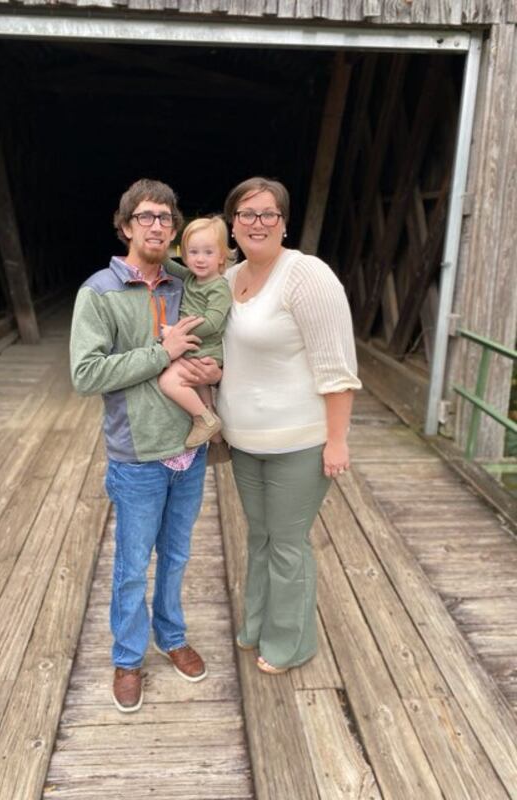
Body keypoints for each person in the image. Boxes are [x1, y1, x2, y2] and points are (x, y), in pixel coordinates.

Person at [70, 178, 216, 714]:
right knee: (133, 564)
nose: (157, 226)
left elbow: (228, 320)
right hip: (136, 456)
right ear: (126, 224)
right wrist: (162, 351)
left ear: (175, 230)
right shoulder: (99, 292)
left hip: (190, 447)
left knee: (176, 555)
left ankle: (171, 637)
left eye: (165, 218)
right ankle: (128, 658)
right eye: (146, 217)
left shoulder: (187, 281)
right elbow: (85, 375)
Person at [214, 176, 362, 674]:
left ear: (283, 221)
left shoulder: (307, 276)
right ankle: (256, 624)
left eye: (268, 213)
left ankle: (289, 643)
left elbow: (337, 367)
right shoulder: (229, 279)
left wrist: (337, 440)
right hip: (244, 439)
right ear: (232, 224)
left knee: (287, 542)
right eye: (247, 214)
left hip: (299, 440)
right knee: (260, 536)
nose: (258, 223)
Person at [158, 216, 233, 449]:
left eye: (208, 252)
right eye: (193, 252)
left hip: (205, 349)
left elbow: (212, 323)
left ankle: (205, 419)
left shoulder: (218, 286)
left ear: (221, 256)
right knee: (201, 388)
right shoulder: (191, 277)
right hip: (196, 347)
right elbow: (168, 264)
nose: (200, 259)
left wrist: (177, 331)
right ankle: (217, 442)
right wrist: (159, 243)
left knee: (168, 382)